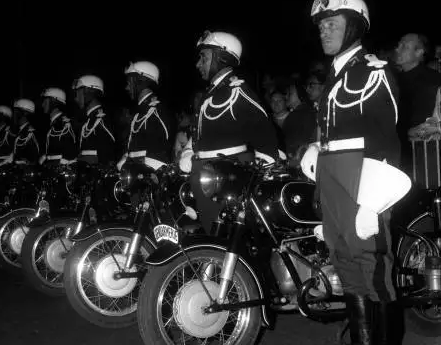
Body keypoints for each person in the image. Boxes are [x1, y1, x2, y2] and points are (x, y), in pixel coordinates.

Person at [307, 0, 405, 345]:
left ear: (356, 27)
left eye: (333, 22)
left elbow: (386, 140)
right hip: (334, 174)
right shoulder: (336, 74)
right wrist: (317, 151)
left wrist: (373, 200)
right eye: (321, 25)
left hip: (364, 177)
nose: (324, 30)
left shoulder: (373, 71)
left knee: (374, 273)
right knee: (346, 265)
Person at [179, 31, 280, 234]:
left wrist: (258, 186)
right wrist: (190, 151)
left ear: (221, 57)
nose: (198, 64)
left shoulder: (238, 91)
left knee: (227, 242)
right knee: (209, 237)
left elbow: (266, 140)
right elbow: (200, 132)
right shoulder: (211, 93)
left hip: (227, 181)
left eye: (204, 57)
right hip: (205, 176)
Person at [118, 61, 173, 172]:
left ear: (140, 81)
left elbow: (162, 151)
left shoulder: (157, 111)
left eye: (129, 82)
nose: (127, 88)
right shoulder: (138, 114)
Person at [393, 33, 441, 144]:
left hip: (418, 150)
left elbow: (422, 127)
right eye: (398, 45)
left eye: (404, 46)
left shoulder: (431, 80)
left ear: (419, 52)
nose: (397, 49)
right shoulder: (394, 78)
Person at [72, 75, 116, 165]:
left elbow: (109, 152)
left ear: (90, 91)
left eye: (78, 92)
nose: (76, 98)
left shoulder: (102, 118)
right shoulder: (88, 119)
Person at [282, 80, 317, 164]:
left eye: (290, 94)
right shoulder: (310, 112)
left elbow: (293, 145)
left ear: (300, 95)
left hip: (297, 161)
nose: (286, 96)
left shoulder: (297, 115)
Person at [40, 88, 77, 165]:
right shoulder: (51, 124)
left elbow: (70, 155)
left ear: (54, 102)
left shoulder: (64, 124)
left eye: (45, 101)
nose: (42, 105)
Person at [12, 98, 40, 166]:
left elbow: (35, 159)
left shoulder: (30, 133)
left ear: (25, 113)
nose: (14, 115)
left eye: (16, 112)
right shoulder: (20, 131)